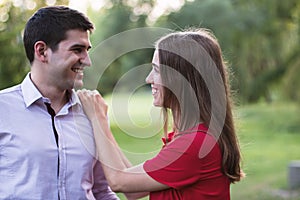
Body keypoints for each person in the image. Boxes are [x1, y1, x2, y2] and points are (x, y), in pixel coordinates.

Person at [78, 29, 245, 199]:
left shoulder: (194, 145)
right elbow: (133, 190)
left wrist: (97, 118)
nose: (149, 79)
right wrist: (102, 125)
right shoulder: (191, 138)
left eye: (157, 71)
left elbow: (118, 181)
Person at [0, 6, 120, 200]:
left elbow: (101, 191)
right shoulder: (3, 109)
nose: (87, 61)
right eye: (77, 50)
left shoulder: (90, 112)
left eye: (87, 50)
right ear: (42, 51)